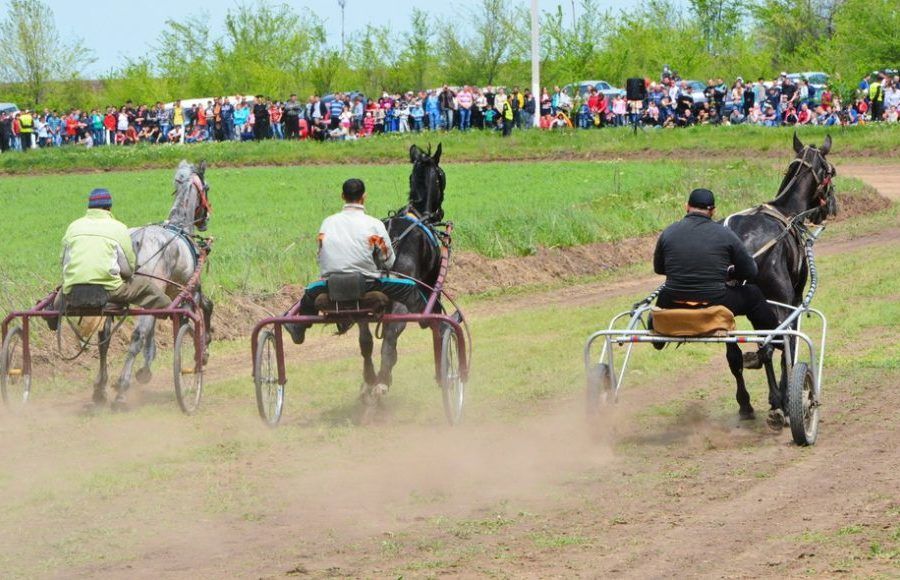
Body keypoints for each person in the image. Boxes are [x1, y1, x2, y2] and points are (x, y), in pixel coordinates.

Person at [283, 179, 427, 345]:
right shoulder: (374, 225)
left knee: (308, 294)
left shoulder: (327, 223)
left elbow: (320, 255)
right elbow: (388, 260)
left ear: (342, 196)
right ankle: (429, 319)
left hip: (332, 285)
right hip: (367, 284)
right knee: (410, 289)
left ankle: (299, 328)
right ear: (363, 197)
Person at [653, 189, 779, 354]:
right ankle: (776, 339)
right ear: (713, 211)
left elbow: (659, 268)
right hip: (715, 301)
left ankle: (658, 335)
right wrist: (729, 273)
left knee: (665, 293)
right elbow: (750, 271)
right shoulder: (725, 234)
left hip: (672, 300)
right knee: (753, 293)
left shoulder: (668, 232)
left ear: (687, 207)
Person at [48, 189, 171, 329]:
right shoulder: (118, 228)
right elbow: (128, 269)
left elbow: (64, 260)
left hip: (73, 290)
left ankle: (52, 317)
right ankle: (170, 310)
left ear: (89, 207)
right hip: (108, 291)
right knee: (144, 286)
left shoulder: (73, 227)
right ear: (109, 208)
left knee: (61, 291)